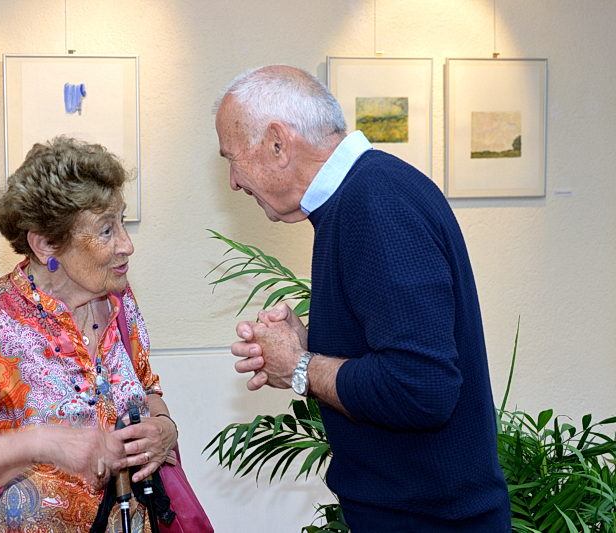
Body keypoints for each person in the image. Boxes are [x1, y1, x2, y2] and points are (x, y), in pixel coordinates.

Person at [215, 65, 511, 531]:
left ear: (277, 143)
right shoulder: (367, 193)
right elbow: (394, 352)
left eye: (232, 158)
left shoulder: (374, 204)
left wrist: (299, 366)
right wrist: (309, 345)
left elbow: (421, 388)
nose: (233, 181)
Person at [0, 136, 178, 532]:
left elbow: (147, 386)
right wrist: (38, 443)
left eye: (122, 221)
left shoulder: (120, 300)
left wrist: (165, 429)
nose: (127, 244)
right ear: (46, 244)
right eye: (107, 230)